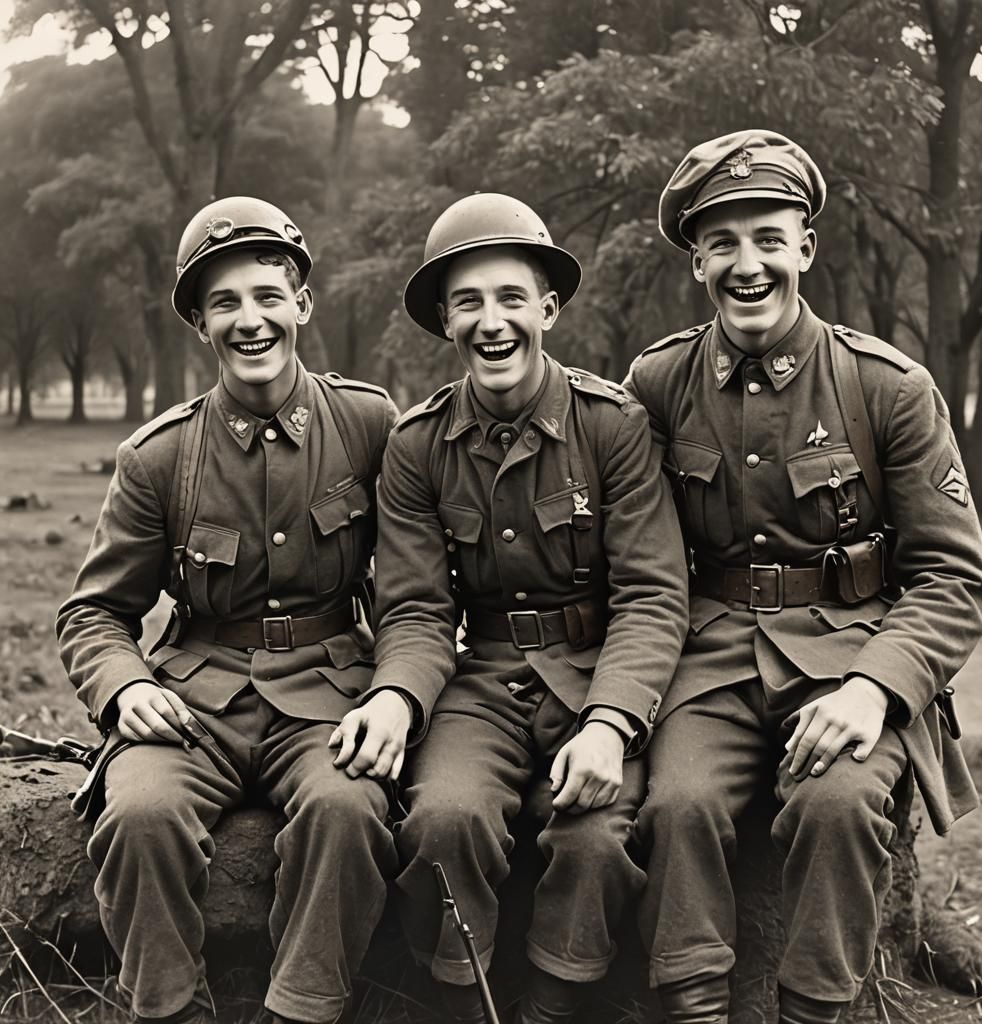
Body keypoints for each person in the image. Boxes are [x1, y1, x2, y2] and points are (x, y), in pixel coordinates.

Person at [623, 130, 982, 1023]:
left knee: (839, 805)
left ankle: (814, 1012)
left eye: (768, 239)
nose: (747, 265)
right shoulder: (658, 383)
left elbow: (954, 576)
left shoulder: (887, 386)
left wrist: (875, 689)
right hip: (708, 662)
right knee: (676, 808)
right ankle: (693, 1010)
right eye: (722, 244)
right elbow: (630, 552)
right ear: (697, 262)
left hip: (849, 653)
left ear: (806, 247)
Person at [56, 196, 405, 1024]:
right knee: (140, 815)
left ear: (302, 305)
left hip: (329, 693)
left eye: (267, 297)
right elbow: (94, 613)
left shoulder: (368, 424)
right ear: (199, 324)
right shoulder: (159, 455)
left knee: (348, 810)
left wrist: (395, 693)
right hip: (196, 701)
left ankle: (301, 1010)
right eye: (224, 304)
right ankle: (169, 1010)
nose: (250, 321)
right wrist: (124, 687)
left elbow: (413, 595)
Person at [346, 193, 687, 1024]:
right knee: (443, 820)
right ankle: (466, 1005)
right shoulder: (417, 444)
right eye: (467, 303)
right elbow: (417, 610)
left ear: (548, 309)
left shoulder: (612, 426)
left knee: (595, 836)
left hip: (597, 673)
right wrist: (396, 696)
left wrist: (610, 724)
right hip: (484, 680)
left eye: (510, 298)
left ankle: (552, 1007)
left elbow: (651, 594)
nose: (491, 322)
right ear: (445, 321)